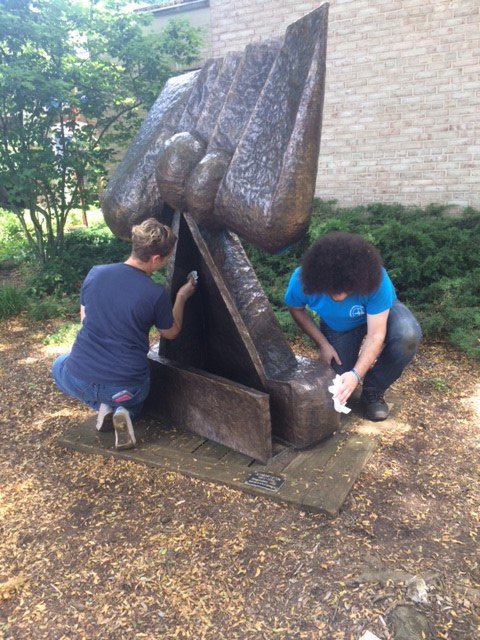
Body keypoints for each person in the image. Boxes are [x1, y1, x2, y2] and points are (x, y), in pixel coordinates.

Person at [52, 218, 197, 449]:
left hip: (80, 377)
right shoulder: (155, 293)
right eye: (168, 257)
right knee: (135, 401)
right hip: (127, 387)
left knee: (58, 366)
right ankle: (124, 409)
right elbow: (171, 333)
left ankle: (103, 407)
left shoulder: (95, 274)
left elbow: (85, 319)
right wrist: (181, 297)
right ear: (156, 259)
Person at [284, 232, 422, 421]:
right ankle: (349, 379)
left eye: (345, 290)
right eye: (331, 290)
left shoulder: (375, 279)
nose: (338, 297)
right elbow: (296, 309)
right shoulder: (302, 279)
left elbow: (375, 335)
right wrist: (323, 344)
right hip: (339, 328)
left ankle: (373, 390)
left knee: (408, 336)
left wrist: (356, 375)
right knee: (337, 385)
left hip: (379, 315)